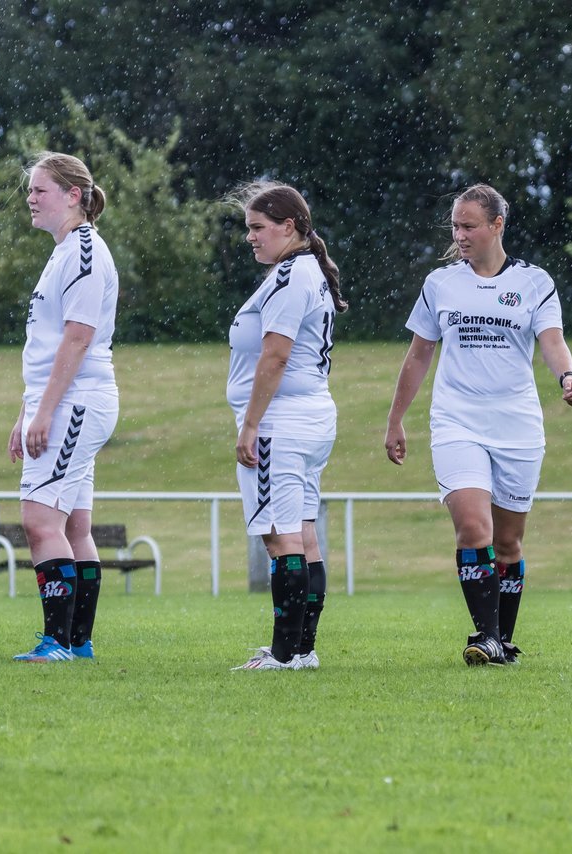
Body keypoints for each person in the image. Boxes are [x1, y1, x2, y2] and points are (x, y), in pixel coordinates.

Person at [385, 183, 572, 667]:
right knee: (474, 528)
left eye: (469, 225)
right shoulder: (441, 284)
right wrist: (396, 419)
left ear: (497, 225)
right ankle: (487, 636)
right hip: (457, 421)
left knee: (508, 542)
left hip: (516, 425)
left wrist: (568, 374)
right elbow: (418, 355)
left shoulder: (535, 282)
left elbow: (552, 340)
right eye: (455, 225)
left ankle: (503, 639)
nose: (460, 233)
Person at [225, 182, 347, 672]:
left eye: (258, 228)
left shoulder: (290, 276)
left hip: (283, 420)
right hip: (311, 415)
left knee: (280, 536)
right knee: (303, 533)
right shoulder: (307, 270)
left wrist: (251, 425)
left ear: (288, 226)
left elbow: (275, 355)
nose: (250, 238)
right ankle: (302, 650)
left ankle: (282, 653)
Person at [9, 151, 119, 663]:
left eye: (40, 189)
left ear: (74, 195)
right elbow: (50, 342)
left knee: (39, 522)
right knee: (74, 525)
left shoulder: (83, 251)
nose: (30, 198)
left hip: (76, 399)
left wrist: (47, 410)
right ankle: (77, 642)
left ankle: (58, 642)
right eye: (30, 190)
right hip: (63, 399)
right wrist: (28, 410)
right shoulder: (64, 251)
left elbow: (77, 337)